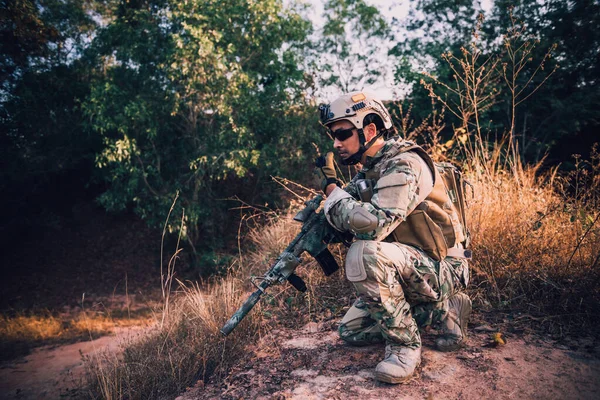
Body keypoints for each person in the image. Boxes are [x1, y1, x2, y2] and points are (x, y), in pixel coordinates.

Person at [316, 91, 471, 384]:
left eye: (342, 134)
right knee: (351, 331)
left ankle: (404, 347)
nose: (336, 144)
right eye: (333, 136)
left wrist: (332, 195)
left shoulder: (404, 164)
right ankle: (444, 311)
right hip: (411, 266)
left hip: (444, 266)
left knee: (363, 253)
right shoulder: (369, 170)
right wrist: (325, 207)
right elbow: (344, 213)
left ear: (370, 130)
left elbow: (373, 225)